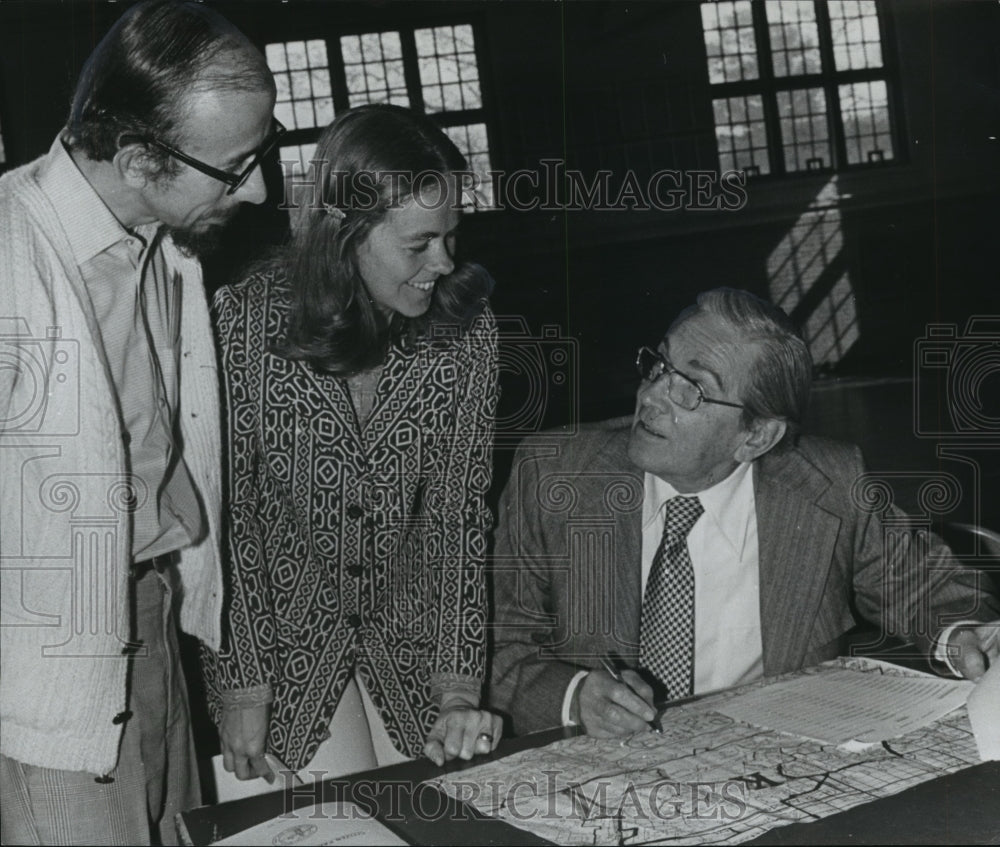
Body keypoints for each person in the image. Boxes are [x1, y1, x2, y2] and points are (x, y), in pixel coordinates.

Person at [0, 1, 277, 843]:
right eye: (236, 167)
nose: (260, 188)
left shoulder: (162, 238)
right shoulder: (11, 255)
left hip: (154, 615)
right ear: (138, 157)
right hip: (46, 668)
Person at [489, 288, 1000, 738]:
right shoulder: (554, 475)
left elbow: (924, 588)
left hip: (771, 771)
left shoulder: (829, 485)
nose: (651, 397)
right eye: (658, 366)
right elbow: (499, 645)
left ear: (756, 437)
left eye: (691, 388)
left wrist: (963, 637)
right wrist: (575, 695)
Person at [202, 103, 502, 787]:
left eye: (451, 235)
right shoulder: (244, 324)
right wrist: (242, 687)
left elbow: (458, 517)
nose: (444, 261)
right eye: (419, 243)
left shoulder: (465, 334)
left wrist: (458, 683)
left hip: (413, 644)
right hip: (281, 649)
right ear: (346, 233)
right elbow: (230, 522)